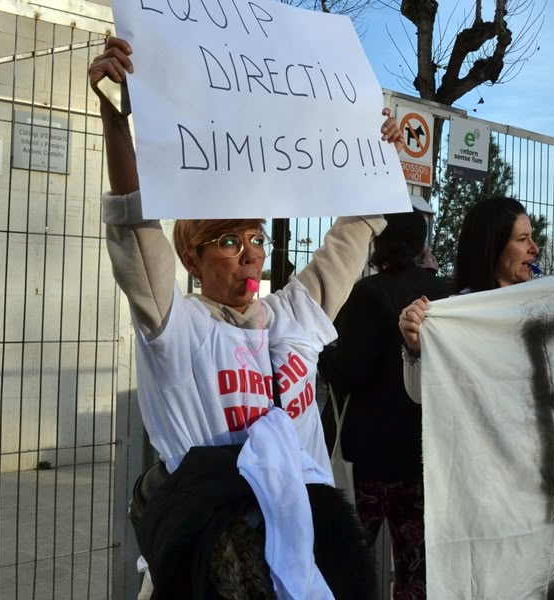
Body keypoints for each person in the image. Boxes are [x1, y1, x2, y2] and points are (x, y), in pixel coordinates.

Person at [91, 37, 398, 596]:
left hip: (306, 566)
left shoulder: (292, 316)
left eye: (255, 237)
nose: (251, 252)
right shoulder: (175, 327)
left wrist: (376, 162)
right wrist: (117, 121)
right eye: (228, 240)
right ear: (192, 258)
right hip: (210, 564)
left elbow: (350, 237)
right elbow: (138, 231)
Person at [326, 211, 450, 599]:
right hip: (422, 452)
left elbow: (349, 370)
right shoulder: (443, 293)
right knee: (415, 567)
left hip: (370, 457)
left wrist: (323, 358)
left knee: (346, 563)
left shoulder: (368, 293)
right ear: (420, 242)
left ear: (378, 241)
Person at [397, 196, 554, 401]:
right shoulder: (456, 314)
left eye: (531, 238)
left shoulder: (543, 302)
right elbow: (420, 395)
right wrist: (416, 348)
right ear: (493, 247)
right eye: (523, 239)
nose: (535, 248)